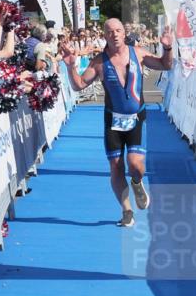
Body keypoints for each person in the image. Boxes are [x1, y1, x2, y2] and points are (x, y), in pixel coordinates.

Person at [60, 17, 173, 227]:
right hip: (113, 120)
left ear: (124, 32)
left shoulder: (137, 53)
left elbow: (165, 65)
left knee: (135, 165)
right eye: (110, 31)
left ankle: (137, 182)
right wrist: (70, 67)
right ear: (105, 36)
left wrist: (167, 48)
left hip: (136, 117)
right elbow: (78, 86)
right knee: (116, 166)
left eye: (118, 30)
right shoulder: (99, 62)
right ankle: (127, 210)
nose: (115, 34)